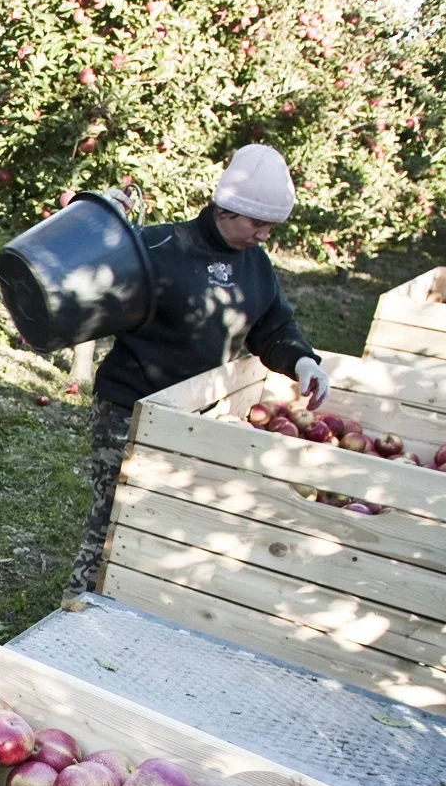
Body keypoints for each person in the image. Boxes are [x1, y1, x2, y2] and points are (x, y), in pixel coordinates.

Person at [63, 144, 330, 602]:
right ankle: (80, 603)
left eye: (271, 226)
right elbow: (82, 284)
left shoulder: (255, 267)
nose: (264, 235)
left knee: (174, 512)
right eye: (256, 223)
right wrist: (101, 226)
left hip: (199, 411)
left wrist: (302, 359)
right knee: (116, 515)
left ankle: (145, 598)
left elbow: (272, 326)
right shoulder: (160, 248)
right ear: (227, 209)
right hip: (132, 406)